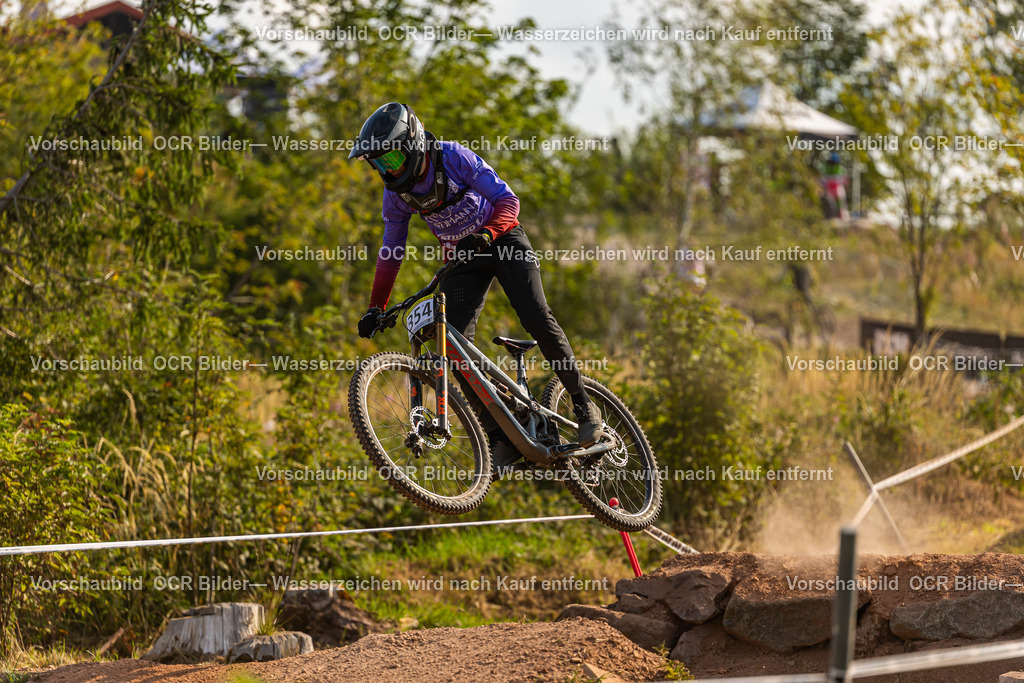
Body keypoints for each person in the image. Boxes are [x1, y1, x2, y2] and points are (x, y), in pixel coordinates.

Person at [348, 102, 602, 466]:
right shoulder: (396, 196)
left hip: (502, 238)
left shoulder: (453, 158)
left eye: (389, 160)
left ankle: (584, 406)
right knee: (453, 346)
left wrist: (485, 234)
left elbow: (507, 201)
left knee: (535, 315)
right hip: (464, 258)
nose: (385, 170)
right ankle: (503, 435)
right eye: (378, 164)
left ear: (411, 145)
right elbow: (391, 252)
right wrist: (376, 306)